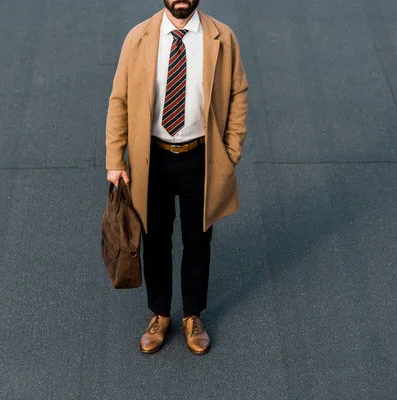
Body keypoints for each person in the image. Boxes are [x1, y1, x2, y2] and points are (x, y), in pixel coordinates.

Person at [105, 0, 248, 354]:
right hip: (151, 158)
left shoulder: (222, 38)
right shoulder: (138, 38)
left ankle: (193, 315)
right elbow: (119, 99)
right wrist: (115, 158)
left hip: (202, 156)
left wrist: (231, 153)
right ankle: (160, 315)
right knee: (155, 239)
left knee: (198, 239)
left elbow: (237, 93)